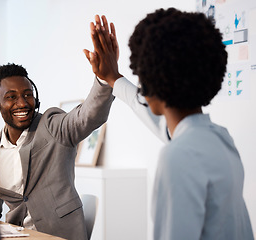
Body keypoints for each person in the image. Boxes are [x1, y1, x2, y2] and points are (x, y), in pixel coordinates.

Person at [84, 9, 254, 240]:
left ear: (151, 80)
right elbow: (160, 122)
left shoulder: (178, 156)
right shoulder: (219, 139)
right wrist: (113, 78)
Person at [0, 63, 114, 240]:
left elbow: (86, 116)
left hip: (59, 235)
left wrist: (104, 79)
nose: (22, 103)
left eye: (27, 95)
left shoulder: (53, 126)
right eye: (11, 97)